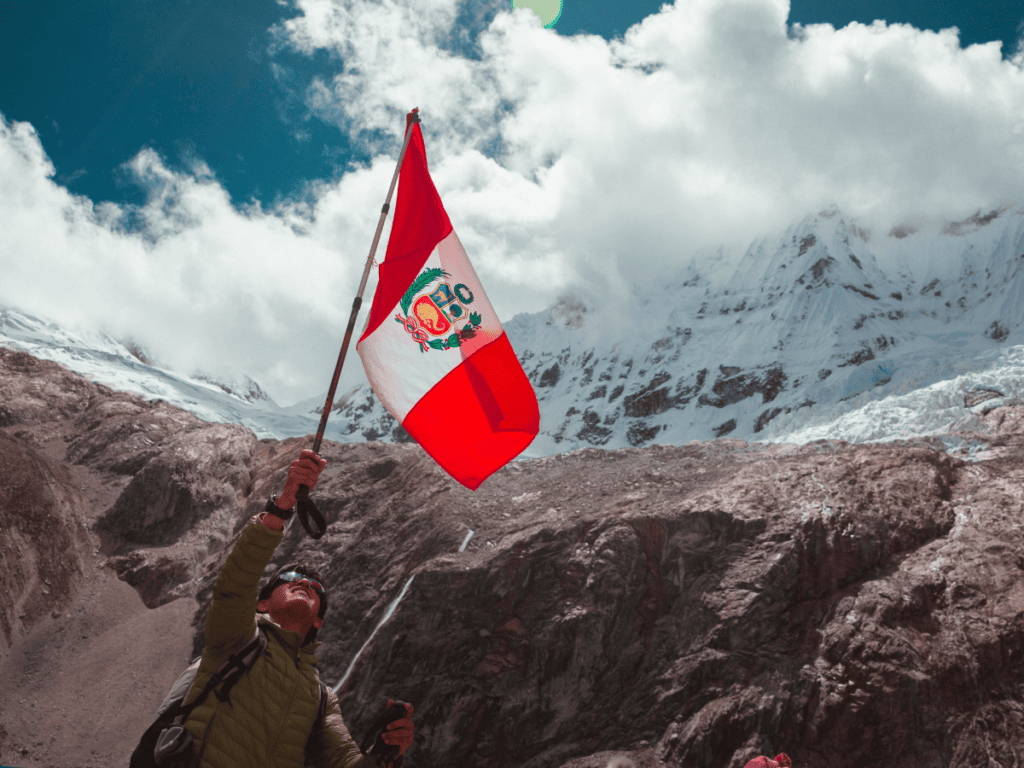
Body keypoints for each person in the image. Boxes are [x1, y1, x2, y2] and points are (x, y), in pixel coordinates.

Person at [179, 449, 414, 768]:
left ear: (317, 619)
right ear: (261, 603)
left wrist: (385, 753)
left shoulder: (321, 698)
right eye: (289, 579)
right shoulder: (236, 638)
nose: (304, 583)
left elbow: (346, 762)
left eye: (315, 589)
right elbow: (236, 583)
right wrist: (283, 504)